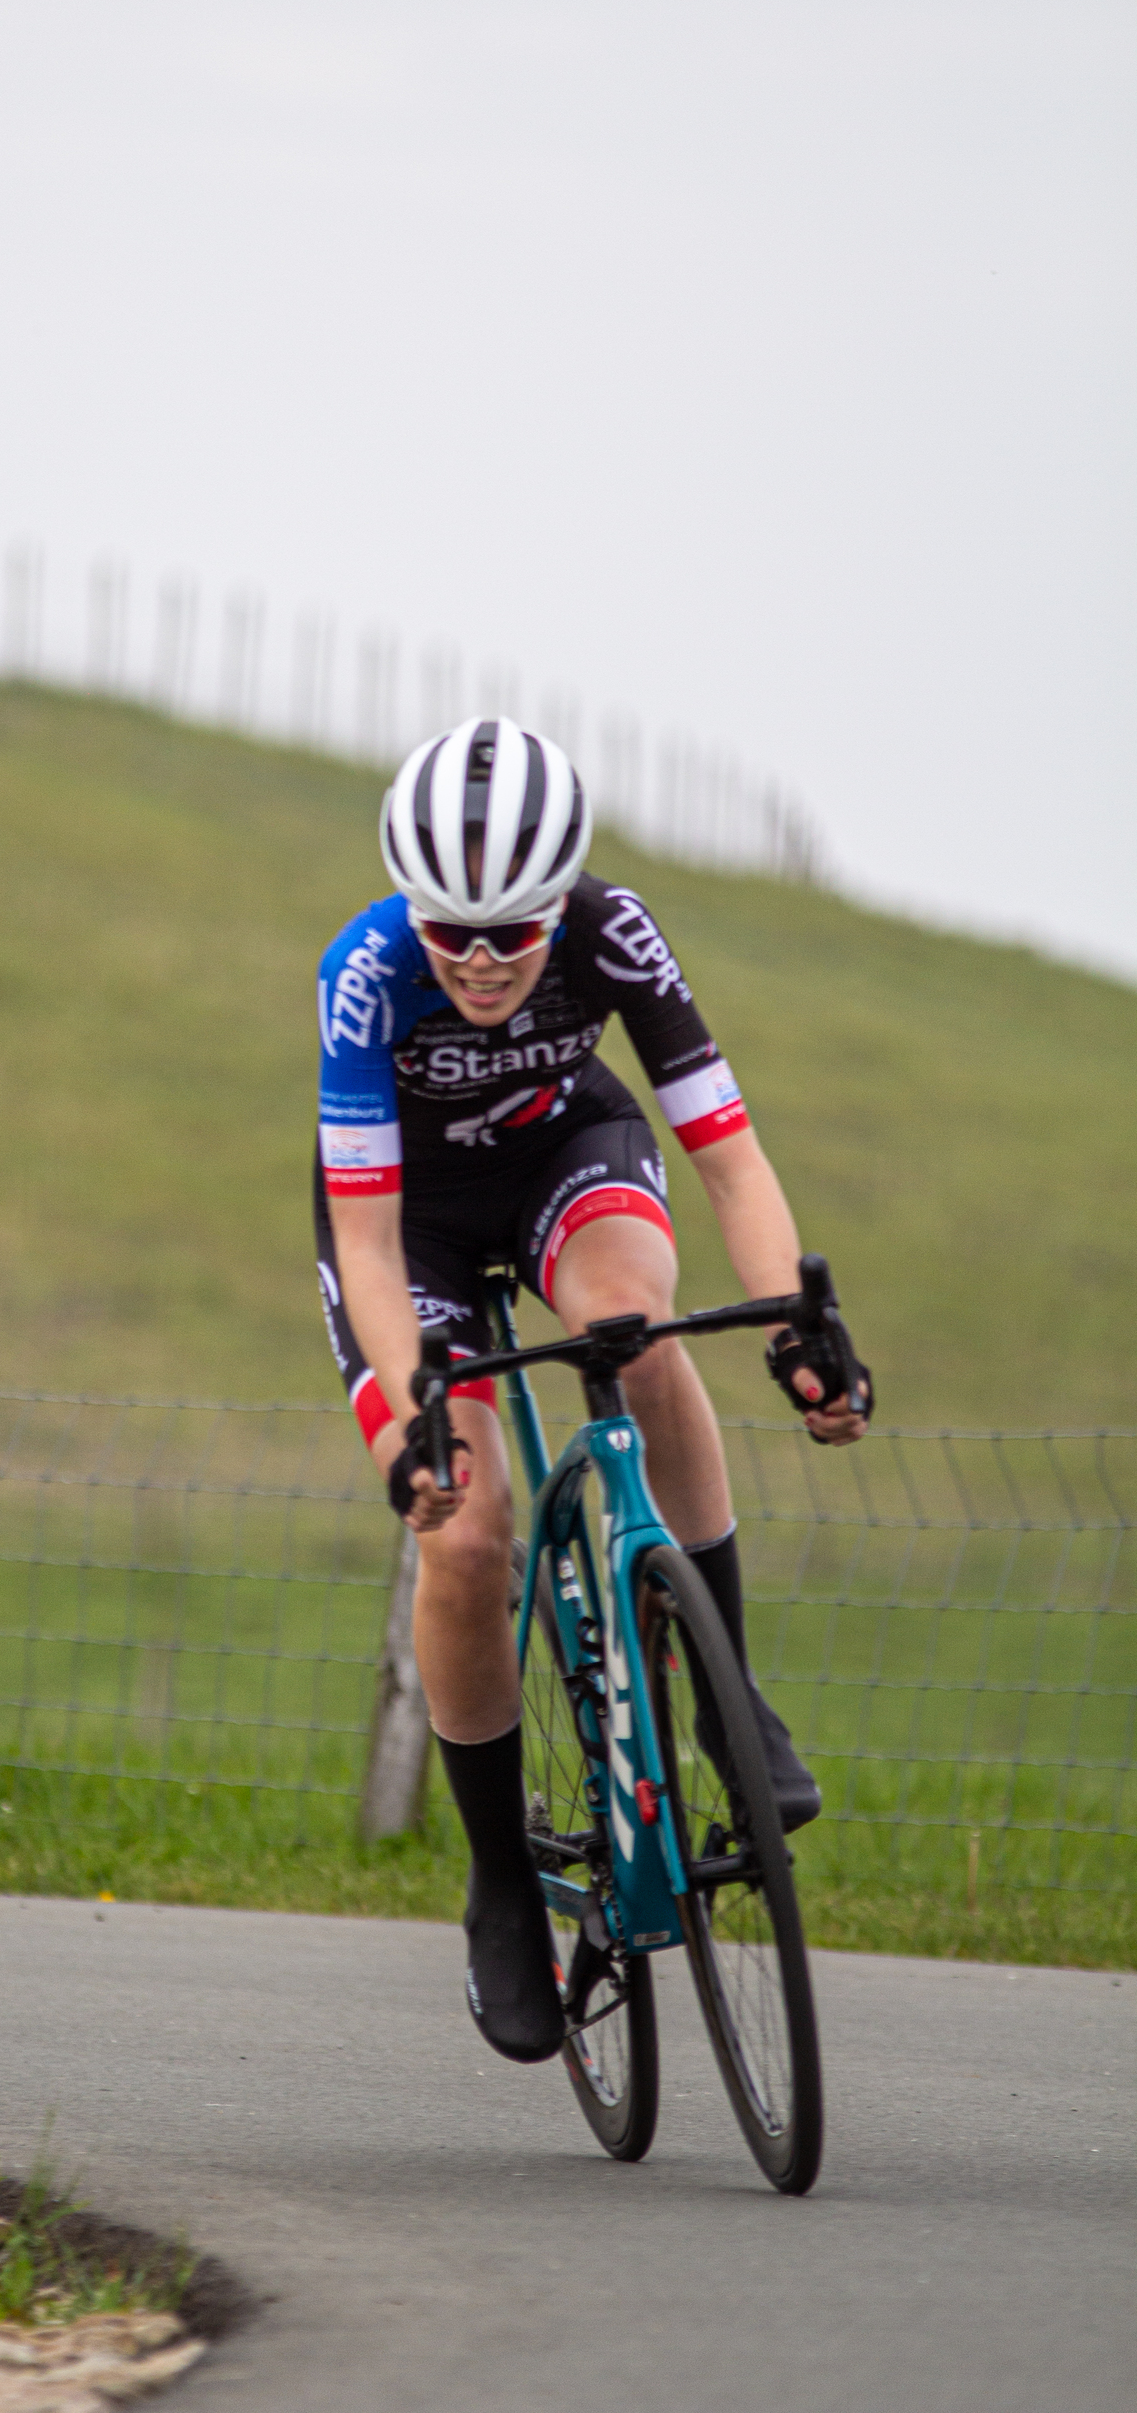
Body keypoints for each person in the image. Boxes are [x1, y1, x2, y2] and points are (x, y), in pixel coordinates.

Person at [315, 717, 872, 2065]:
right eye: (453, 928)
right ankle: (502, 1885)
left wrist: (799, 1327)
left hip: (572, 1150)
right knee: (463, 1537)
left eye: (516, 929)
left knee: (640, 1331)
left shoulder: (615, 932)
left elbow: (730, 1159)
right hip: (418, 1230)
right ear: (411, 906)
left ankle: (725, 1697)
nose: (485, 958)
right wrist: (418, 1417)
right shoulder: (365, 973)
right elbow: (370, 1249)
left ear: (562, 897)